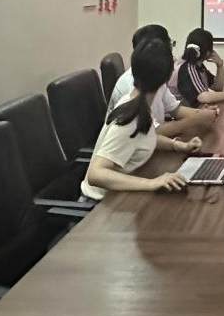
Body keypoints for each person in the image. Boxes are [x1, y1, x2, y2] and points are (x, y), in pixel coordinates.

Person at [81, 39, 204, 202]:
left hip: (120, 195)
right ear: (167, 78)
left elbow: (144, 137)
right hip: (101, 204)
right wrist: (152, 183)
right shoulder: (131, 118)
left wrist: (178, 145)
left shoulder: (137, 102)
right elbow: (95, 174)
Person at [110, 24, 218, 137]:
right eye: (169, 46)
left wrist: (200, 113)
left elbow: (175, 109)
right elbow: (151, 132)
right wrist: (192, 121)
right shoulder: (131, 86)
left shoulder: (154, 74)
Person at [174, 28, 224, 107]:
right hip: (176, 113)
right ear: (208, 52)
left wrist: (220, 65)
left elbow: (217, 87)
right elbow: (203, 97)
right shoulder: (187, 67)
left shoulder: (197, 65)